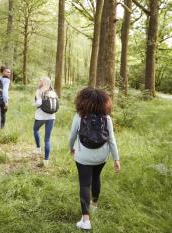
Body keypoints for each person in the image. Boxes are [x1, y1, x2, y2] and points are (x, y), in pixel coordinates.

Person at [68, 87, 120, 230]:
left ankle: (85, 220)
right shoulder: (107, 118)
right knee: (96, 178)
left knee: (85, 184)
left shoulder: (79, 116)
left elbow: (72, 135)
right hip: (102, 156)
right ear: (104, 103)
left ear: (82, 101)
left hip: (83, 156)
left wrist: (71, 147)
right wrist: (116, 159)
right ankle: (94, 206)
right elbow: (112, 140)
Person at [33, 77, 58, 167]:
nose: (38, 82)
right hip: (52, 117)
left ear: (43, 83)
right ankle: (46, 161)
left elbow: (38, 103)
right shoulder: (53, 92)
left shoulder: (40, 91)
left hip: (41, 116)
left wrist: (34, 104)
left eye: (40, 81)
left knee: (35, 129)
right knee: (47, 139)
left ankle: (38, 149)